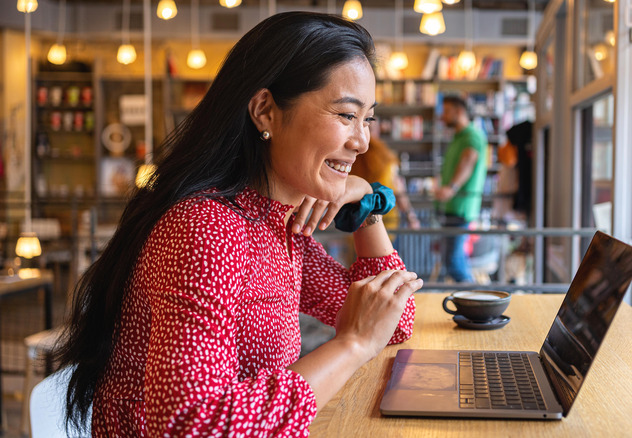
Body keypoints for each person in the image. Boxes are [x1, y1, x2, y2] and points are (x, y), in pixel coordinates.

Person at [53, 12, 422, 436]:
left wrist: (366, 203)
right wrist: (351, 344)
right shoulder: (206, 228)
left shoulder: (278, 225)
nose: (362, 141)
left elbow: (393, 319)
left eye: (367, 119)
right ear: (265, 111)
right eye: (345, 115)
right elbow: (189, 425)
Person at [434, 95, 488, 283]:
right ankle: (473, 301)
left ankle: (475, 302)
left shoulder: (471, 135)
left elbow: (469, 159)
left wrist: (451, 188)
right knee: (454, 259)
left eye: (446, 111)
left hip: (461, 207)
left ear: (459, 111)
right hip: (453, 207)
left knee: (453, 262)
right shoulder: (458, 136)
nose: (442, 116)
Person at [351, 135, 421, 230]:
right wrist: (411, 217)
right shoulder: (388, 166)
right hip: (386, 222)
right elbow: (400, 193)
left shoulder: (352, 166)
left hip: (355, 222)